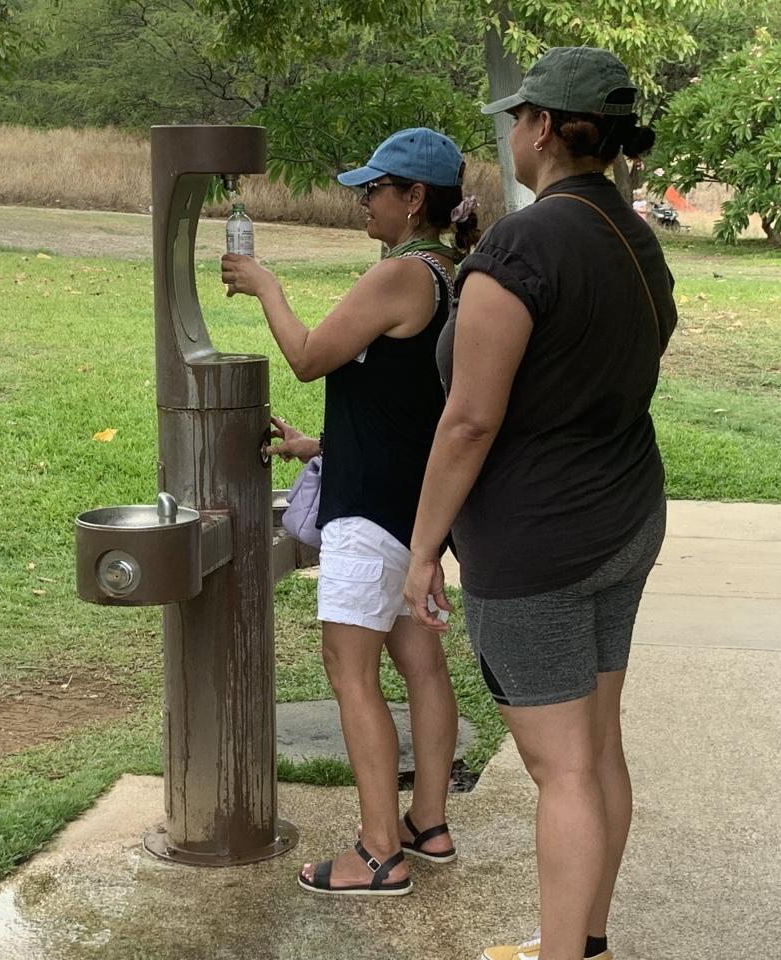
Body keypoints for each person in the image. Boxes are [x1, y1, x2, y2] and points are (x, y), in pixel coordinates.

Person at [400, 49, 677, 959]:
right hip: (624, 517)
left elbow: (469, 420)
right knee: (594, 749)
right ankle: (583, 942)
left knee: (561, 770)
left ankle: (563, 955)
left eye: (519, 117)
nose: (513, 131)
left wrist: (422, 550)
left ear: (547, 128)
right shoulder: (633, 235)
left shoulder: (521, 246)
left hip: (539, 545)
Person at [221, 127, 480, 897]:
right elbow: (406, 402)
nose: (364, 202)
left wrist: (266, 286)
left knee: (350, 672)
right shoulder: (449, 275)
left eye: (376, 189)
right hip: (413, 510)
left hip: (368, 514)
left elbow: (308, 357)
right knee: (422, 667)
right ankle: (426, 824)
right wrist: (321, 444)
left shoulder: (399, 275)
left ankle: (377, 853)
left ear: (414, 198)